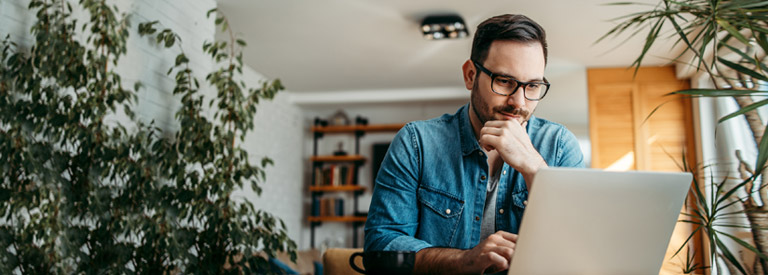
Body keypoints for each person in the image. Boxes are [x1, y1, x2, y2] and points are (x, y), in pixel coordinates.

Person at [363, 14, 585, 274]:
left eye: (533, 85)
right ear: (470, 75)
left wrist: (534, 170)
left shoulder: (559, 146)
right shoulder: (416, 143)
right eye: (504, 81)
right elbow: (381, 248)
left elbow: (581, 249)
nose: (520, 102)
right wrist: (464, 260)